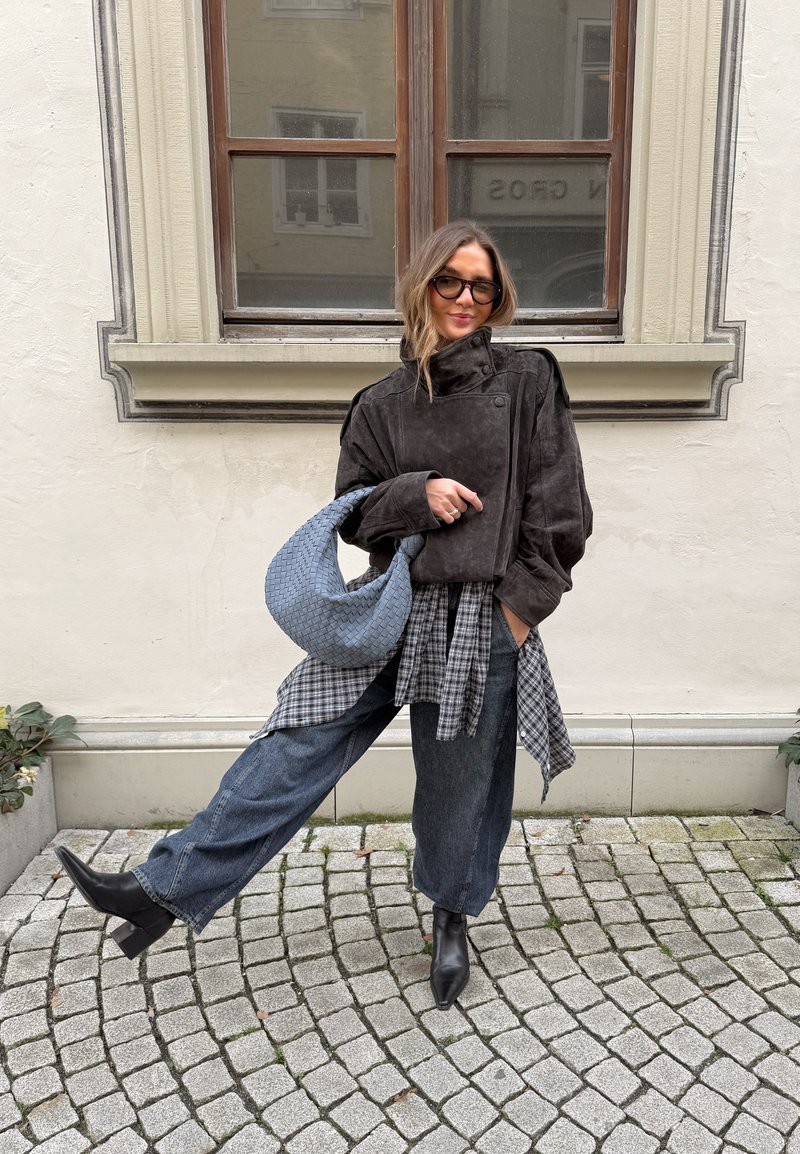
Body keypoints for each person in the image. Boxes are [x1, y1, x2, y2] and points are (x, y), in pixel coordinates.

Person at [55, 220, 592, 1011]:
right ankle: (159, 891)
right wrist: (415, 494)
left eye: (482, 285)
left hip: (484, 615)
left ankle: (451, 920)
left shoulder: (528, 380)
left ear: (498, 295)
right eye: (449, 281)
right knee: (297, 740)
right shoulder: (380, 404)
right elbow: (355, 518)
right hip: (394, 605)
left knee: (460, 784)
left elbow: (560, 510)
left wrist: (518, 612)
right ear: (421, 288)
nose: (465, 298)